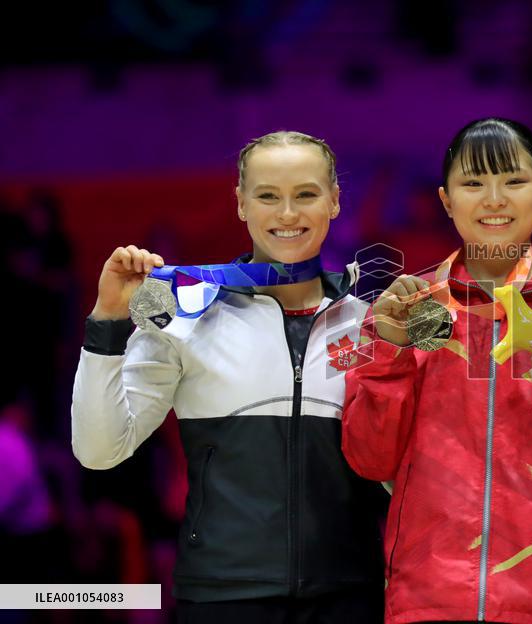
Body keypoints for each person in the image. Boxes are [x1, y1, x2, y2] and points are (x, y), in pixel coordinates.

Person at [71, 131, 385, 623]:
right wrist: (107, 322)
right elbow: (98, 449)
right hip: (222, 595)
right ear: (240, 204)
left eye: (305, 194)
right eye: (267, 196)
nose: (287, 214)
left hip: (350, 594)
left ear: (335, 201)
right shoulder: (187, 317)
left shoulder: (372, 325)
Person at [342, 118, 532, 623]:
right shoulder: (405, 308)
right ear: (446, 201)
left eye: (513, 181)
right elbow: (369, 460)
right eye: (473, 184)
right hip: (429, 596)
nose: (494, 199)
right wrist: (391, 351)